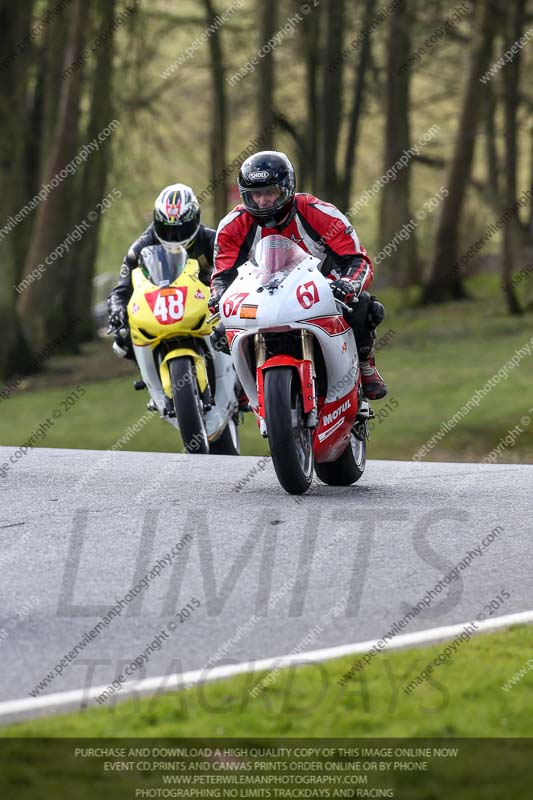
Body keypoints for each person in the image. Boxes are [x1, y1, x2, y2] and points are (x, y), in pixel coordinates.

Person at [209, 152, 387, 399]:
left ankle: (365, 366)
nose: (262, 202)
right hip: (261, 296)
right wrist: (218, 297)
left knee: (365, 306)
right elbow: (223, 274)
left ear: (287, 189)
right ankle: (246, 378)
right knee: (219, 332)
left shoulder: (319, 212)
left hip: (321, 290)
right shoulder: (232, 225)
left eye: (270, 193)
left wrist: (349, 284)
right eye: (255, 195)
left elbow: (357, 259)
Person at [108, 183, 215, 358]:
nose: (174, 236)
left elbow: (236, 272)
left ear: (195, 220)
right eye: (167, 229)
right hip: (159, 313)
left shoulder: (213, 240)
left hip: (207, 311)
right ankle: (151, 377)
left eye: (182, 229)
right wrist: (117, 309)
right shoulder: (139, 248)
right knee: (121, 342)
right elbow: (121, 289)